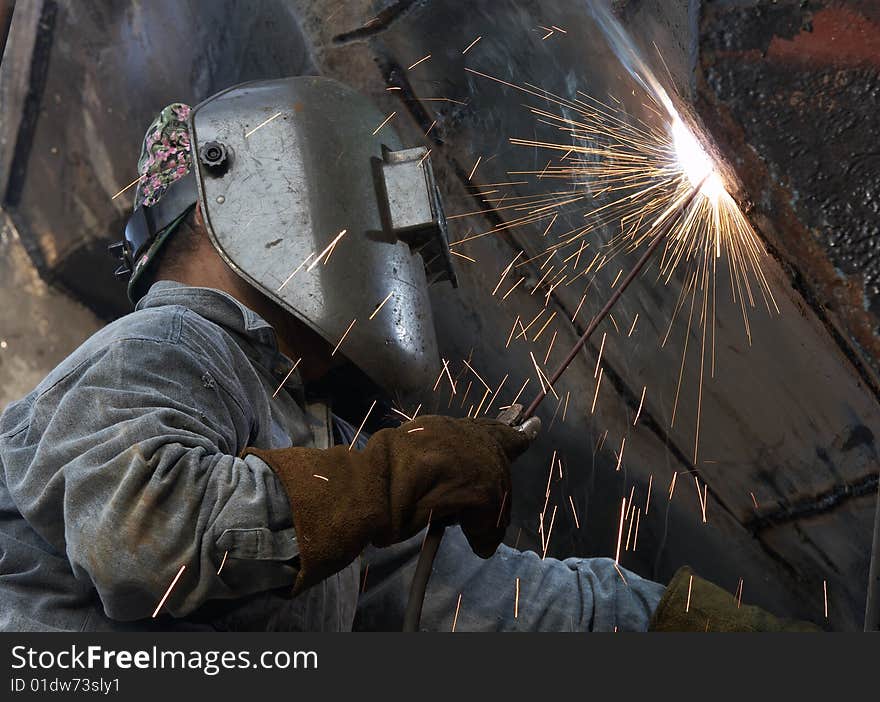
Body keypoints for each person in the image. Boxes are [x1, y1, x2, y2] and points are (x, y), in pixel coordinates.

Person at [0, 77, 814, 632]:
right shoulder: (165, 345)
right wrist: (392, 478)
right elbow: (145, 534)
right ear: (266, 183)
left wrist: (673, 620)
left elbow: (489, 602)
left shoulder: (316, 451)